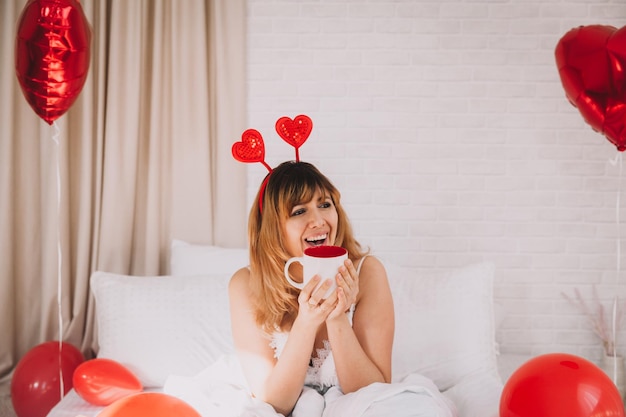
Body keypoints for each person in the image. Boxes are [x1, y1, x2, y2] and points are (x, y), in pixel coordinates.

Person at [229, 161, 456, 417]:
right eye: (299, 211)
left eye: (325, 205)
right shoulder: (246, 285)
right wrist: (306, 322)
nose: (318, 220)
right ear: (272, 227)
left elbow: (375, 391)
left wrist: (337, 317)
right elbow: (274, 403)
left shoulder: (368, 272)